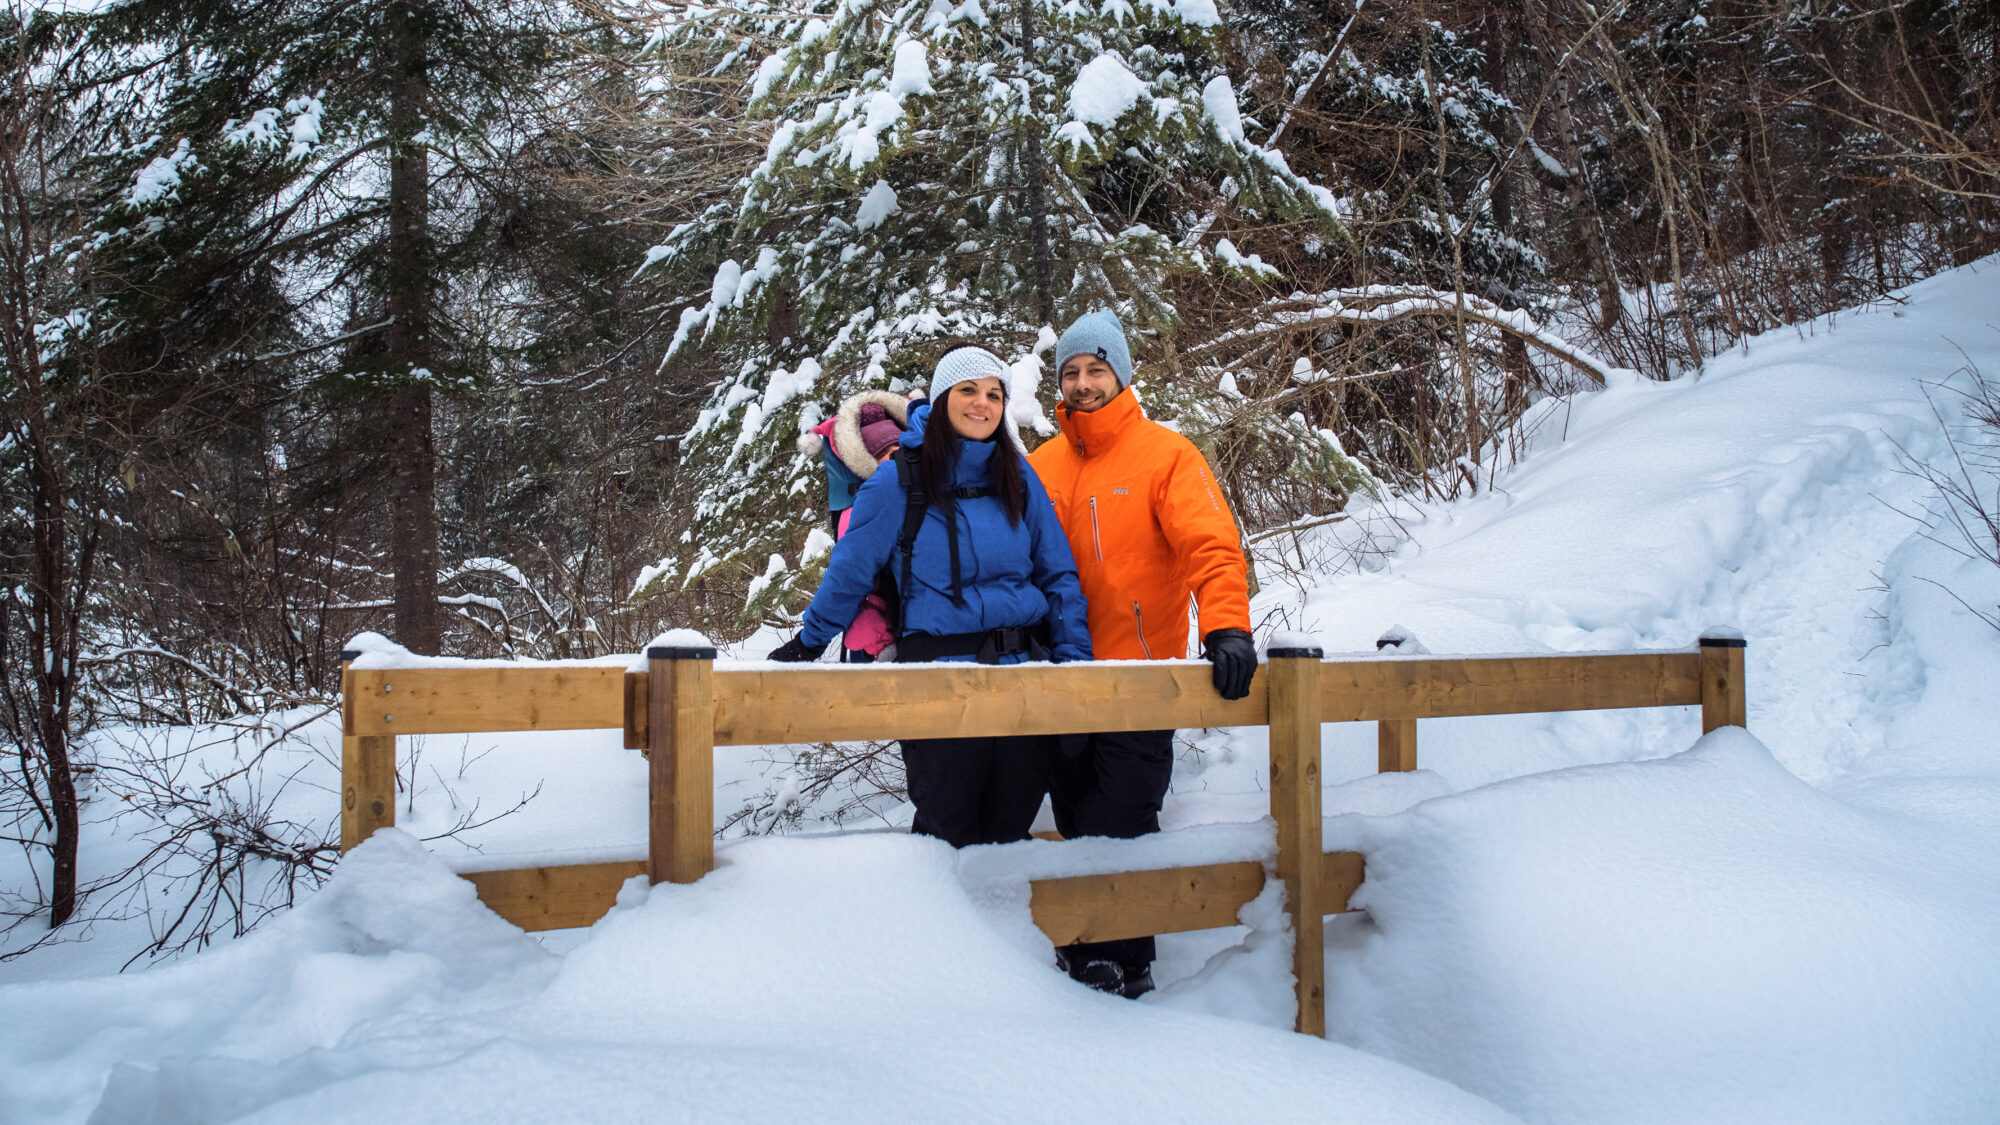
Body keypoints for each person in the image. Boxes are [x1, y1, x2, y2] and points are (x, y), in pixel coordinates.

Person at [769, 346, 1092, 847]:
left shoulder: (1018, 475)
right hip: (938, 684)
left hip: (1025, 677)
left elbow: (1057, 575)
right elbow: (850, 573)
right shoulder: (899, 481)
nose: (981, 404)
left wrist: (1072, 667)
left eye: (993, 394)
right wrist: (809, 641)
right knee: (947, 832)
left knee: (1009, 832)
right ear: (942, 398)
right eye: (968, 390)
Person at [1027, 309, 1258, 998]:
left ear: (1121, 375)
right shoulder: (1041, 464)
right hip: (1061, 674)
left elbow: (1210, 546)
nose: (1083, 382)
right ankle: (1093, 955)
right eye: (1071, 372)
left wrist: (1226, 626)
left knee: (1123, 814)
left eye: (1096, 370)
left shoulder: (1165, 454)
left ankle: (1127, 957)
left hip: (1141, 673)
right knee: (1073, 814)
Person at [798, 390, 912, 661]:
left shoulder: (911, 490)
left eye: (898, 449)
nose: (894, 458)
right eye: (884, 452)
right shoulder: (864, 506)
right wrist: (882, 645)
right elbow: (854, 584)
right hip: (885, 643)